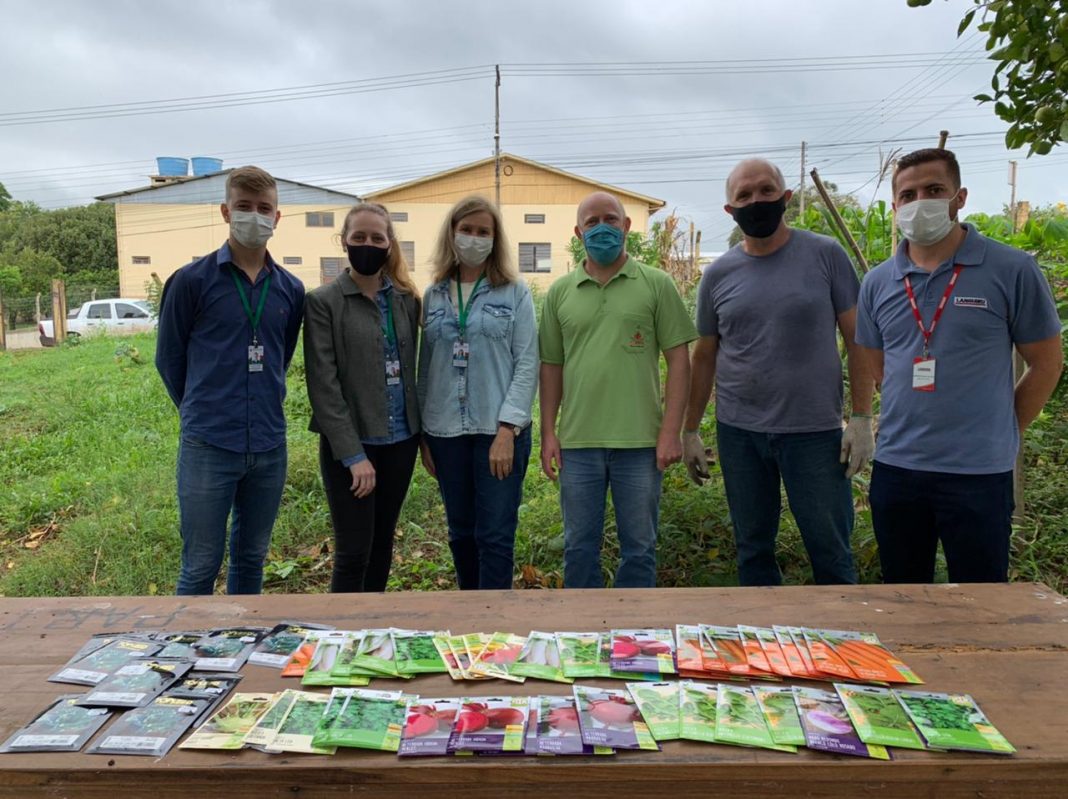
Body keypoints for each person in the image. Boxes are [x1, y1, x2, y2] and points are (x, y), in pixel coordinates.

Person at [856, 148, 1063, 584]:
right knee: (903, 594)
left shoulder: (1012, 269)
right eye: (908, 195)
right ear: (895, 206)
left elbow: (1046, 363)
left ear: (959, 197)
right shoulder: (877, 282)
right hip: (898, 468)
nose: (920, 202)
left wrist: (1004, 428)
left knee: (981, 599)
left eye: (934, 190)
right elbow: (879, 367)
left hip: (979, 473)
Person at [683, 158, 874, 587]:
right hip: (740, 434)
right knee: (753, 550)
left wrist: (862, 418)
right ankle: (762, 630)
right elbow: (705, 355)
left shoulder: (826, 255)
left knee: (830, 549)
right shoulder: (718, 274)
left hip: (814, 433)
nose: (757, 200)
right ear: (730, 210)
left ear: (786, 197)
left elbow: (858, 339)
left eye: (766, 190)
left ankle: (841, 628)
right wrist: (690, 430)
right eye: (744, 195)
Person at [156, 165, 305, 596]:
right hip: (209, 445)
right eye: (244, 206)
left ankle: (240, 635)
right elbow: (169, 360)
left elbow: (281, 355)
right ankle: (189, 640)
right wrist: (202, 409)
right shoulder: (191, 282)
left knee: (251, 559)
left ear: (277, 217)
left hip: (269, 446)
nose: (254, 216)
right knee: (200, 565)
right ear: (225, 211)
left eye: (264, 208)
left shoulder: (291, 289)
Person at [539, 191, 696, 589]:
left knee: (639, 549)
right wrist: (548, 432)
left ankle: (634, 625)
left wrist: (671, 432)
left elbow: (680, 362)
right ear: (578, 233)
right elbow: (551, 366)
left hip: (640, 443)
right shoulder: (560, 292)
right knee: (578, 548)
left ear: (626, 226)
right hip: (578, 444)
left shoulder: (656, 284)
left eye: (610, 219)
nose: (602, 228)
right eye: (591, 222)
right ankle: (582, 625)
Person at [417, 196, 538, 590]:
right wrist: (424, 435)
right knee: (461, 534)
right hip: (445, 432)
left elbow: (527, 362)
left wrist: (507, 429)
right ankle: (469, 616)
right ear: (452, 234)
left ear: (495, 239)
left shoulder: (514, 293)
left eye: (483, 231)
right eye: (466, 229)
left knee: (495, 536)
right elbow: (425, 367)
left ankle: (495, 620)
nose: (474, 238)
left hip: (498, 431)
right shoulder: (434, 294)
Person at [302, 202, 422, 592]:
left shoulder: (406, 299)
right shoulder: (324, 302)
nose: (367, 244)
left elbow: (411, 371)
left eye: (376, 237)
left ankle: (372, 623)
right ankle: (340, 627)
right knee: (353, 552)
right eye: (359, 237)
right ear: (344, 241)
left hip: (401, 441)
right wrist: (354, 457)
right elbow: (324, 385)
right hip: (352, 447)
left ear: (389, 244)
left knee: (383, 542)